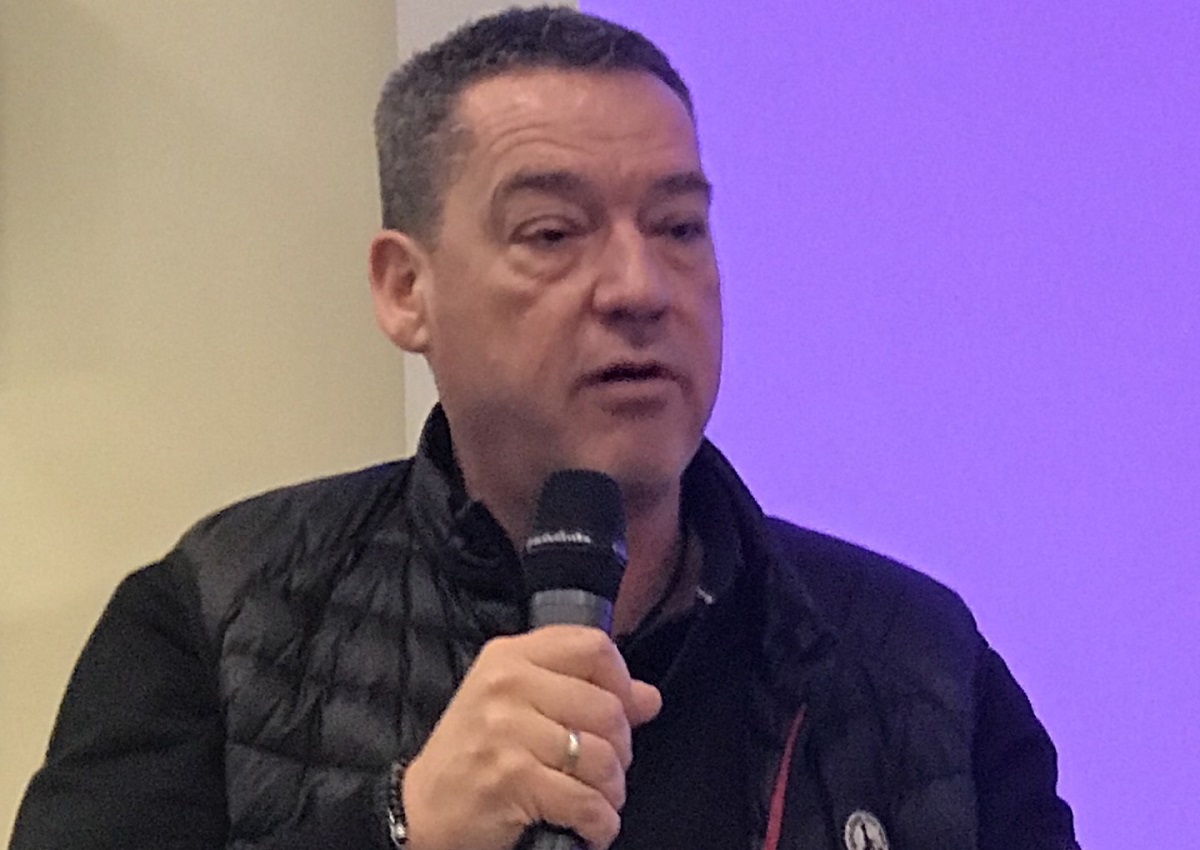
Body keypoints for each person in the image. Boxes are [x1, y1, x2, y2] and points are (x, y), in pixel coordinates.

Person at [9, 7, 1079, 850]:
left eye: (678, 226)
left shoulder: (912, 659)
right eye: (554, 232)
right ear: (405, 289)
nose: (639, 287)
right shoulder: (221, 619)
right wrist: (399, 826)